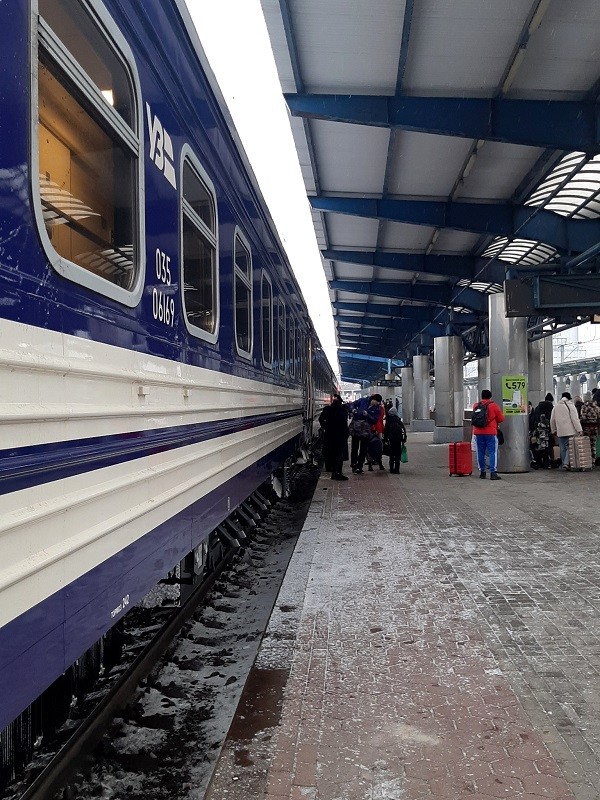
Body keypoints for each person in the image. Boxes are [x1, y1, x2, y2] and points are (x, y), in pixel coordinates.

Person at [472, 389, 505, 480]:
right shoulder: (494, 406)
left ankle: (482, 472)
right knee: (492, 452)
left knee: (480, 452)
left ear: (481, 396)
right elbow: (501, 418)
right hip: (491, 433)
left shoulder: (476, 406)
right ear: (490, 396)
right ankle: (493, 473)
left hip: (478, 433)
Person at [318, 395, 350, 480]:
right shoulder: (343, 411)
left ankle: (329, 468)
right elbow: (344, 424)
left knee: (329, 452)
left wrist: (325, 427)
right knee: (339, 455)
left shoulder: (327, 410)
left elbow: (320, 419)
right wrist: (347, 434)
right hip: (340, 436)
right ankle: (337, 473)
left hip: (329, 434)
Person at [550, 392, 583, 470]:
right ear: (569, 398)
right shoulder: (570, 405)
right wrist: (579, 429)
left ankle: (564, 463)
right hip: (570, 431)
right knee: (569, 447)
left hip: (560, 431)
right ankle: (566, 463)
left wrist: (553, 430)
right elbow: (575, 419)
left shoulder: (556, 406)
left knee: (563, 448)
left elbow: (552, 419)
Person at [383, 407, 407, 474]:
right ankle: (397, 469)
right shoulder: (399, 420)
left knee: (391, 455)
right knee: (397, 454)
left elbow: (386, 431)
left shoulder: (389, 421)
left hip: (391, 440)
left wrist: (385, 439)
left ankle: (391, 469)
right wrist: (404, 439)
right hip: (398, 440)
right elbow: (403, 430)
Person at [579, 392, 599, 462]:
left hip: (586, 427)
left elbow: (583, 418)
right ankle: (593, 459)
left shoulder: (584, 407)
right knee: (593, 444)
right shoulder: (596, 407)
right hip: (595, 427)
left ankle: (587, 460)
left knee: (586, 444)